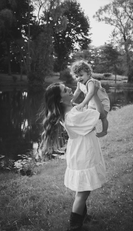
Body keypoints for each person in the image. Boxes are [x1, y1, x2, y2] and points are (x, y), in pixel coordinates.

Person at [41, 82, 106, 231]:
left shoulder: (71, 111)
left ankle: (82, 216)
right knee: (83, 192)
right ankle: (75, 226)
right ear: (60, 99)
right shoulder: (74, 115)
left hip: (80, 150)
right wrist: (94, 93)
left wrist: (86, 92)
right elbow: (101, 114)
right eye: (65, 90)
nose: (70, 89)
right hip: (83, 153)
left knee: (82, 188)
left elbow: (81, 106)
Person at [70, 60, 110, 138]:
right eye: (76, 76)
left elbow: (91, 93)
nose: (79, 78)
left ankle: (104, 131)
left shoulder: (91, 82)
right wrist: (72, 100)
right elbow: (77, 92)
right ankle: (89, 130)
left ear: (88, 74)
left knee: (103, 117)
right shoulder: (79, 84)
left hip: (102, 101)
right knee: (90, 116)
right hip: (92, 102)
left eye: (81, 75)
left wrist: (83, 103)